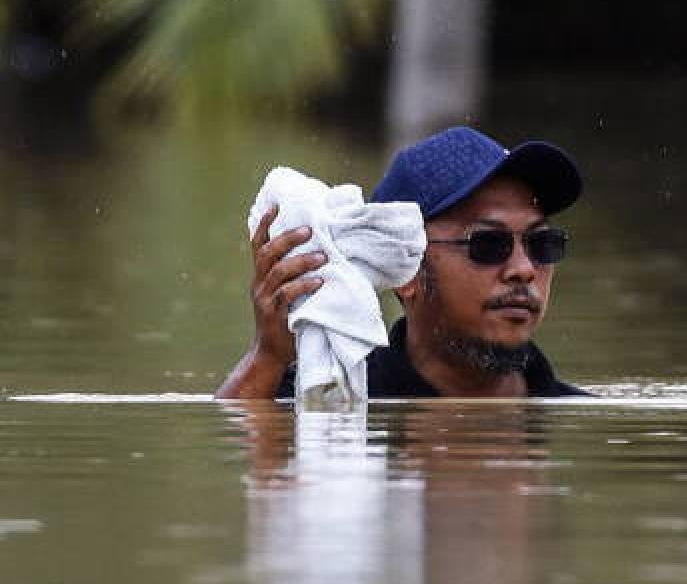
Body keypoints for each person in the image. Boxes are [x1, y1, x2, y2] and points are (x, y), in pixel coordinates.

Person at [215, 126, 589, 399]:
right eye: (488, 244)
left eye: (542, 243)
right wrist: (267, 356)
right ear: (404, 271)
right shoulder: (327, 400)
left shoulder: (579, 417)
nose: (524, 269)